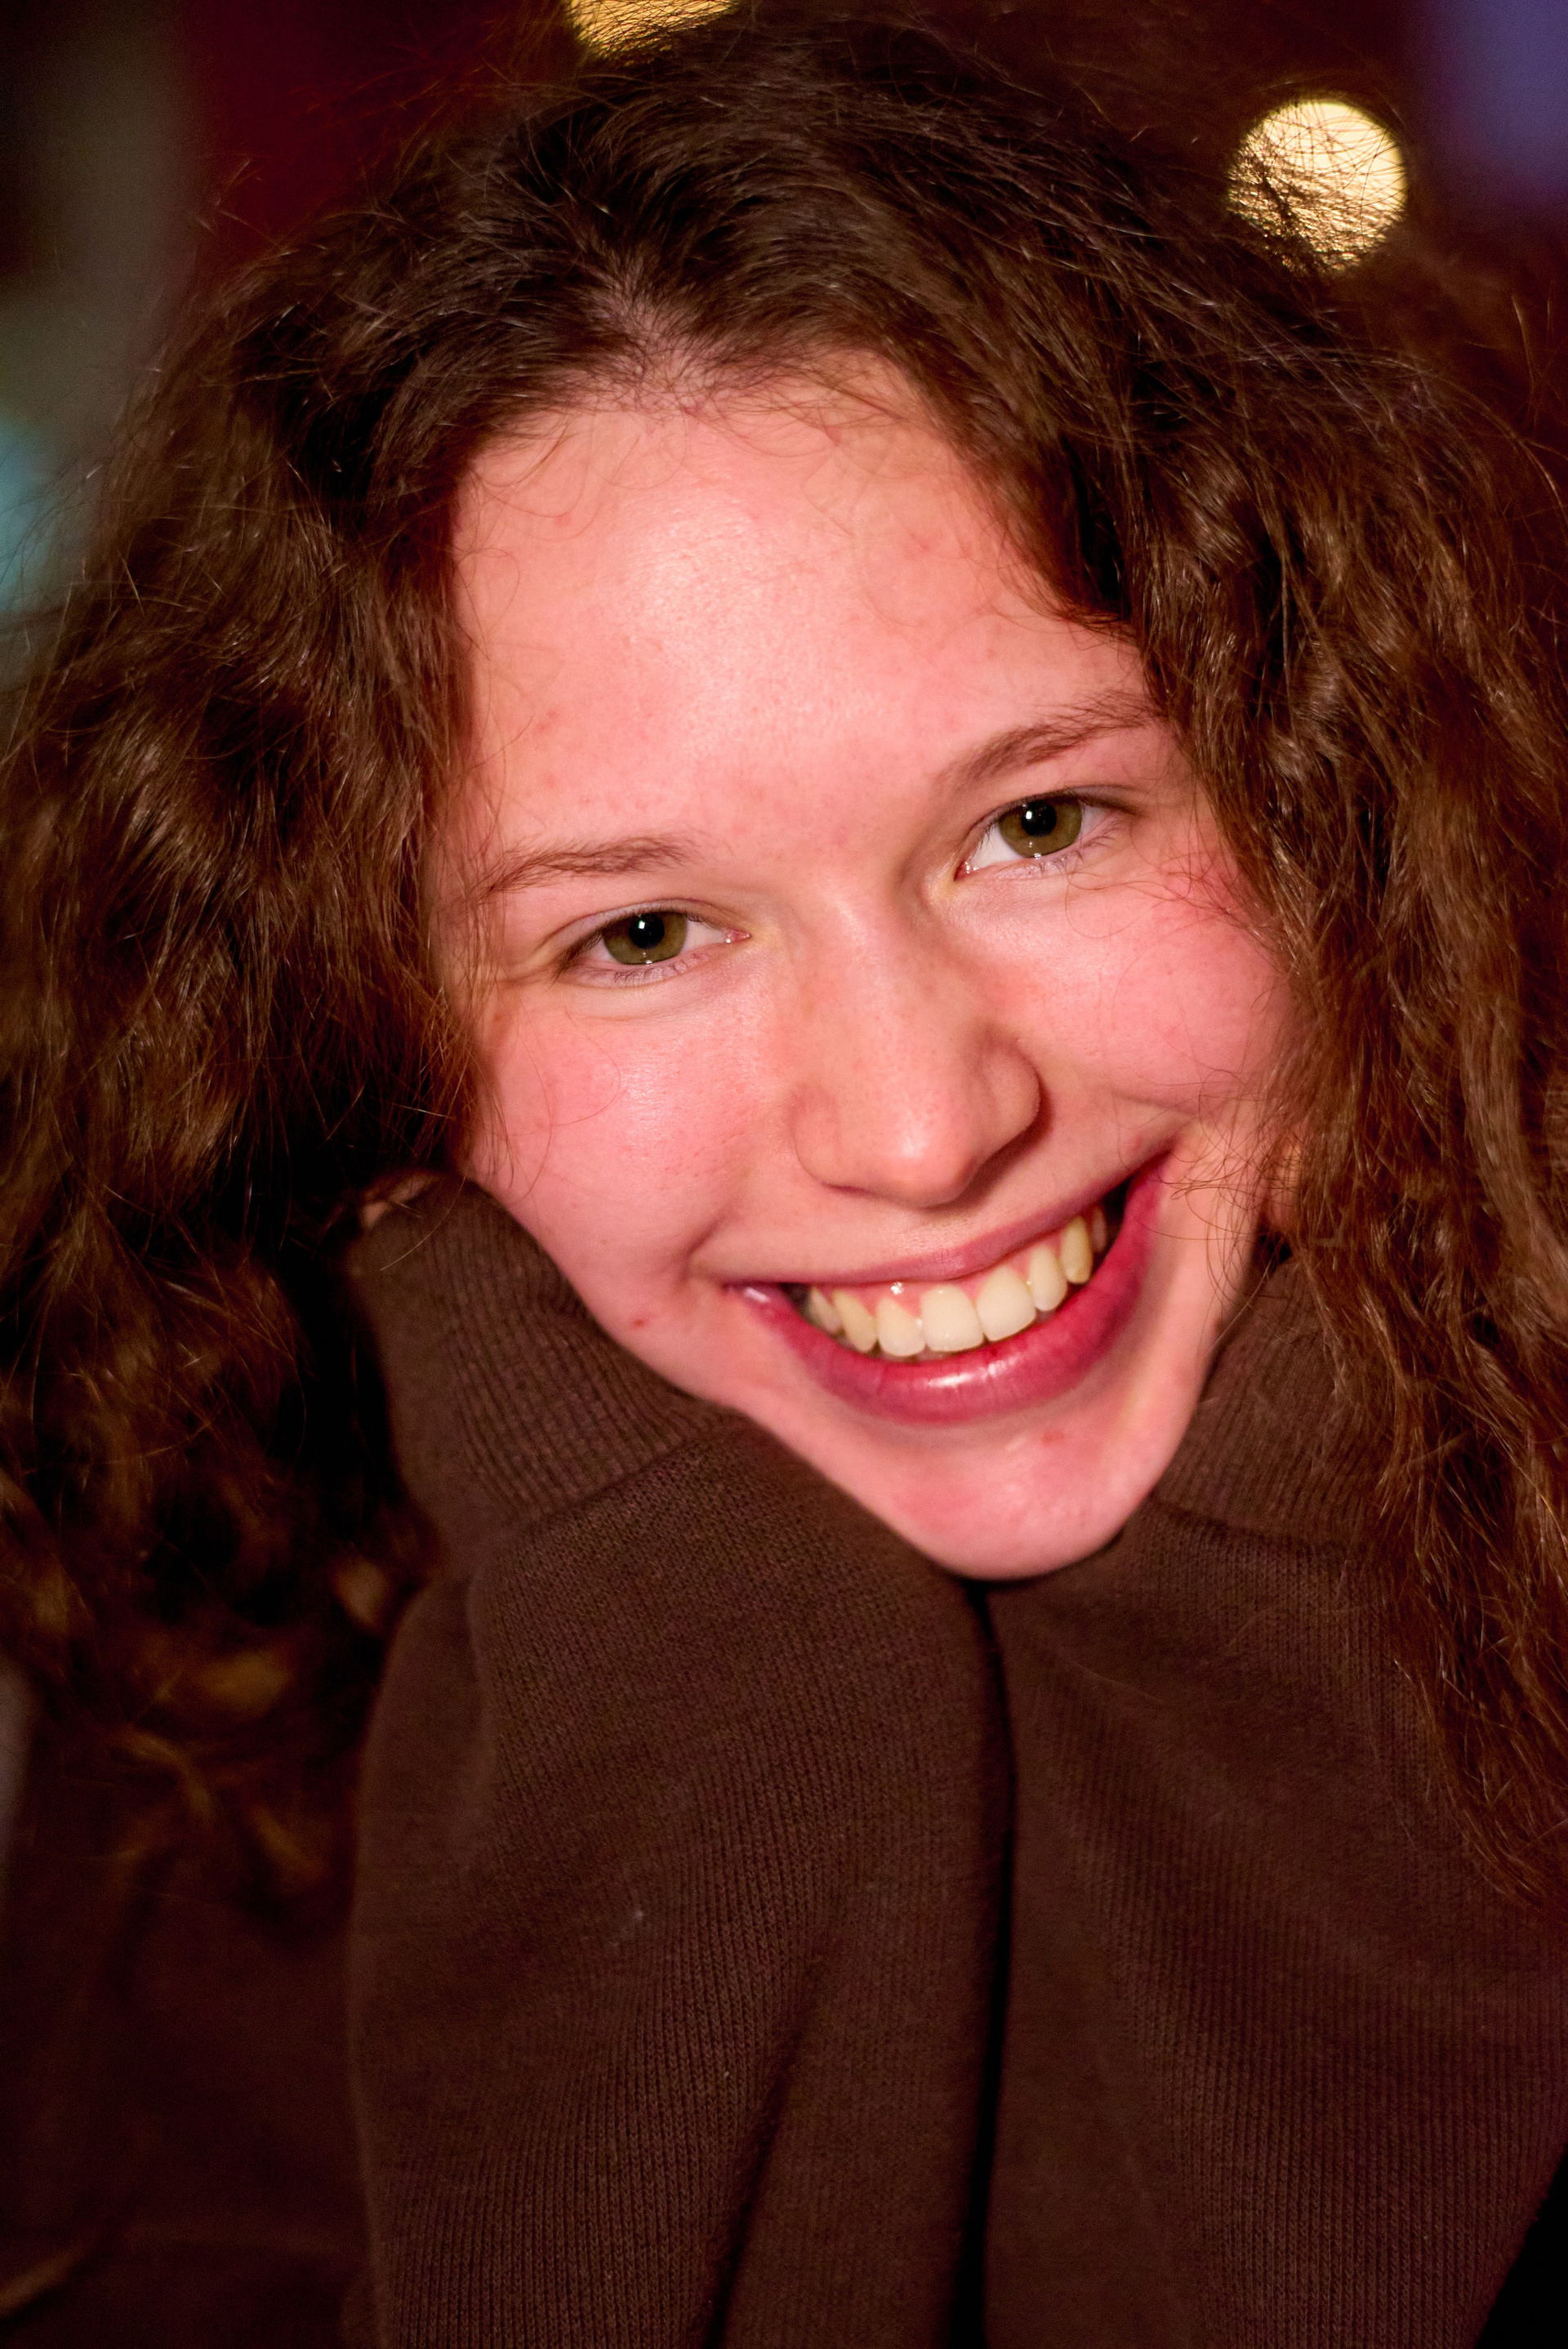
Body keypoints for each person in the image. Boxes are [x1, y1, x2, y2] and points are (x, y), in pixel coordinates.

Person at [2, 9, 1567, 2343]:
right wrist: (696, 1657)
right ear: (341, 1019)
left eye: (1042, 821)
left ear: (1325, 785)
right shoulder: (238, 1684)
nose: (923, 1129)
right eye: (640, 936)